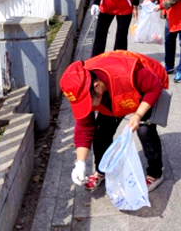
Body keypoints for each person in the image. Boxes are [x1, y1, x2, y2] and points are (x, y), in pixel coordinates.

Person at [61, 50, 168, 192]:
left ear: (96, 85)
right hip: (114, 93)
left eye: (88, 102)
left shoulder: (126, 72)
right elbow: (84, 128)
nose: (89, 107)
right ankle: (101, 170)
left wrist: (137, 115)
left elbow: (154, 87)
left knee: (145, 130)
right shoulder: (81, 89)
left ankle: (155, 173)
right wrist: (80, 163)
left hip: (147, 85)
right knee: (100, 131)